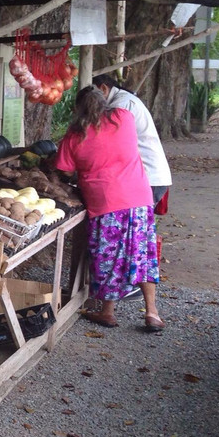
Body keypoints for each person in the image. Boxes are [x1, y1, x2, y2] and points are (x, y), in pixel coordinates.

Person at [52, 86, 164, 332]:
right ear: (104, 102)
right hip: (138, 198)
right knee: (143, 254)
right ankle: (152, 313)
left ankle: (108, 312)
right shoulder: (124, 118)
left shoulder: (74, 135)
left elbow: (65, 169)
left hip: (105, 202)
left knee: (109, 257)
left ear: (78, 108)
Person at [92, 74, 171, 207]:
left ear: (104, 89)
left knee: (138, 224)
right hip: (146, 176)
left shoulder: (121, 106)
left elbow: (112, 143)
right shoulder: (123, 101)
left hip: (147, 177)